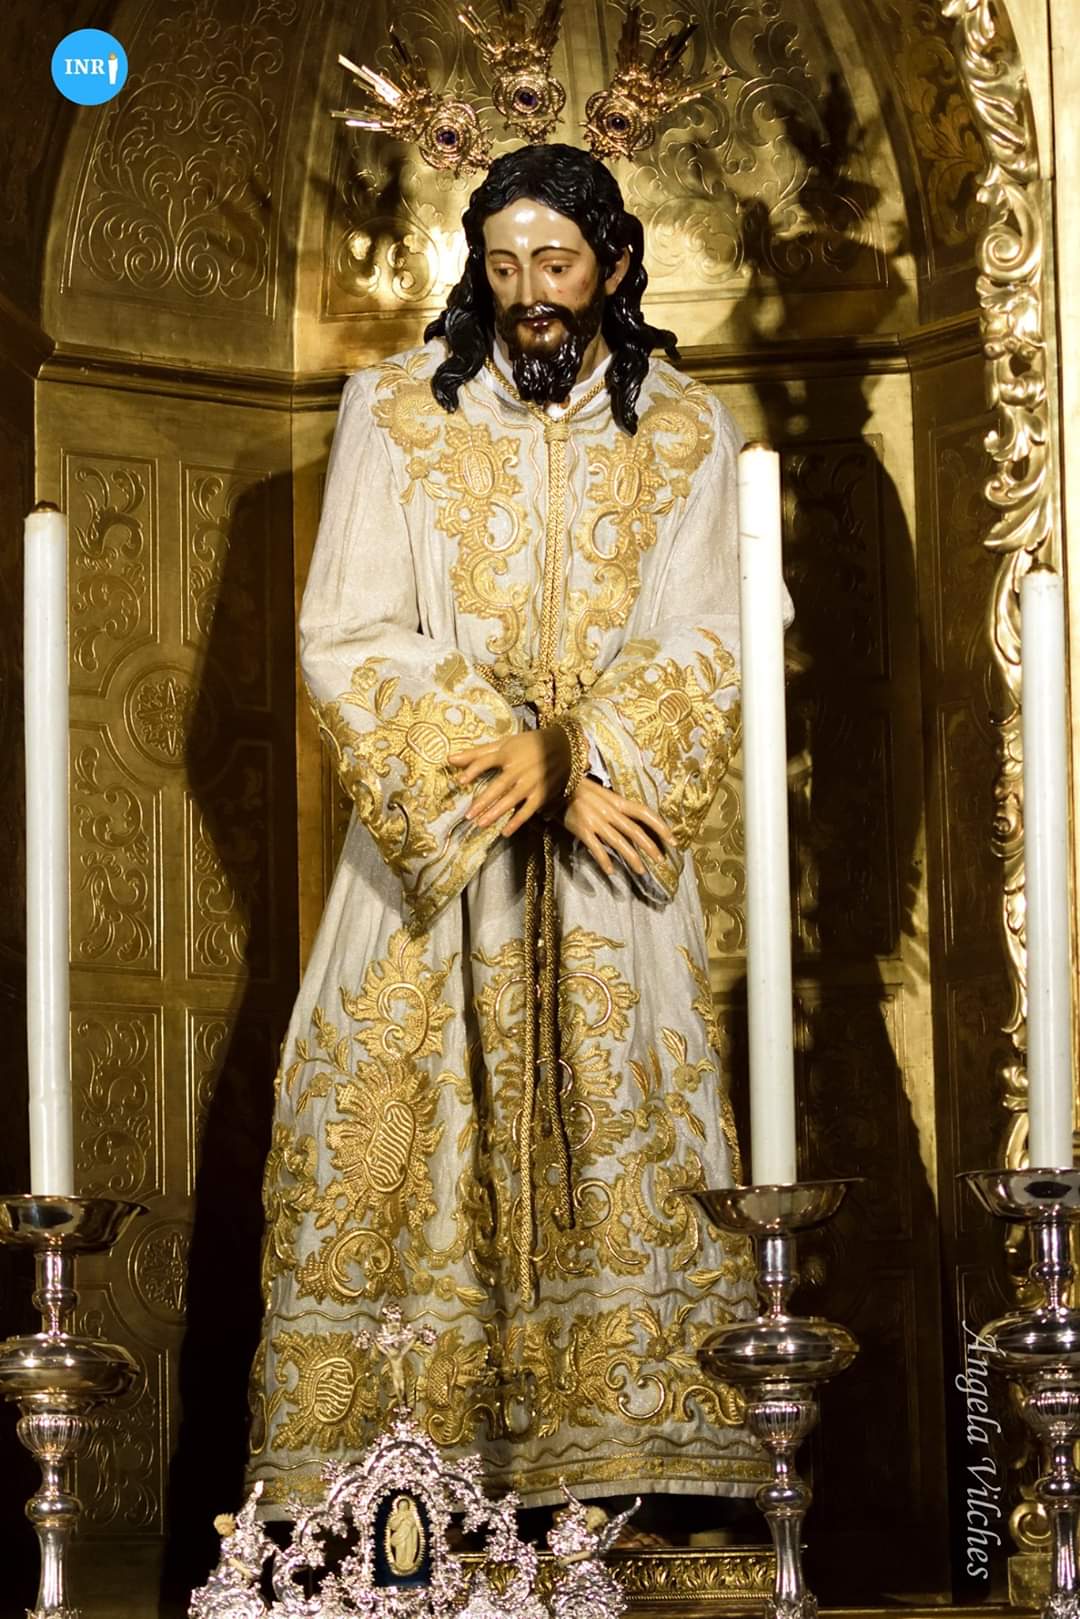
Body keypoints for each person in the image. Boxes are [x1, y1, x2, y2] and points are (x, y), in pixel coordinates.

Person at [248, 143, 761, 1515]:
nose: (532, 290)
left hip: (610, 865)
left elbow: (716, 632)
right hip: (439, 856)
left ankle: (636, 1487)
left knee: (629, 1127)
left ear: (614, 266)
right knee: (389, 1136)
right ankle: (390, 1501)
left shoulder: (690, 433)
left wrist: (581, 753)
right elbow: (348, 630)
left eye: (558, 262)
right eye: (506, 263)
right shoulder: (394, 410)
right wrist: (518, 765)